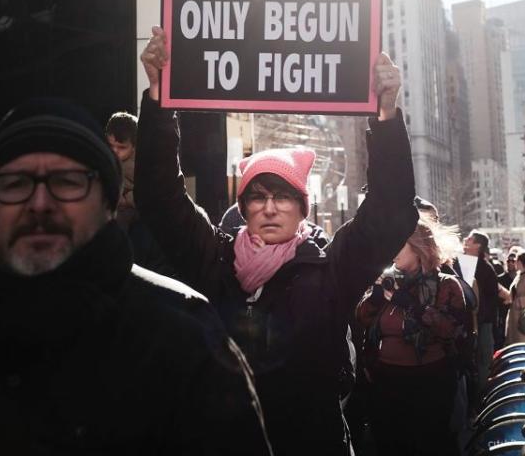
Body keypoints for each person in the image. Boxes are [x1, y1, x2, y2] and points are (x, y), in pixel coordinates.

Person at [0, 99, 270, 454]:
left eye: (67, 182)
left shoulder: (183, 340)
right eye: (15, 184)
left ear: (108, 203)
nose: (40, 203)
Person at [135, 27, 418, 456]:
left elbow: (391, 211)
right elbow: (160, 198)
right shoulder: (216, 259)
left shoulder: (331, 269)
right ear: (243, 209)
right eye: (257, 197)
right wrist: (157, 99)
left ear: (302, 208)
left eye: (283, 197)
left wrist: (386, 116)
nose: (270, 208)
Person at [357, 218, 468, 456]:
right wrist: (375, 299)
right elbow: (362, 319)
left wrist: (415, 307)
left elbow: (452, 329)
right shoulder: (391, 281)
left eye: (398, 244)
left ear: (418, 248)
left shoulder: (446, 284)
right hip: (387, 381)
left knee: (427, 445)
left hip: (428, 382)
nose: (391, 251)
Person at [104, 111, 176, 276]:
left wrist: (123, 199)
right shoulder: (110, 161)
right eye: (111, 146)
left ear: (135, 146)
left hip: (134, 213)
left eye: (121, 148)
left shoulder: (137, 165)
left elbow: (144, 192)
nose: (115, 152)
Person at [462, 229, 498, 393]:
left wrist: (477, 319)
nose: (465, 240)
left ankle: (482, 398)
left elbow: (488, 300)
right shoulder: (462, 262)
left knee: (482, 361)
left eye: (469, 239)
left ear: (478, 245)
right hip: (469, 322)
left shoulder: (484, 268)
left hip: (481, 323)